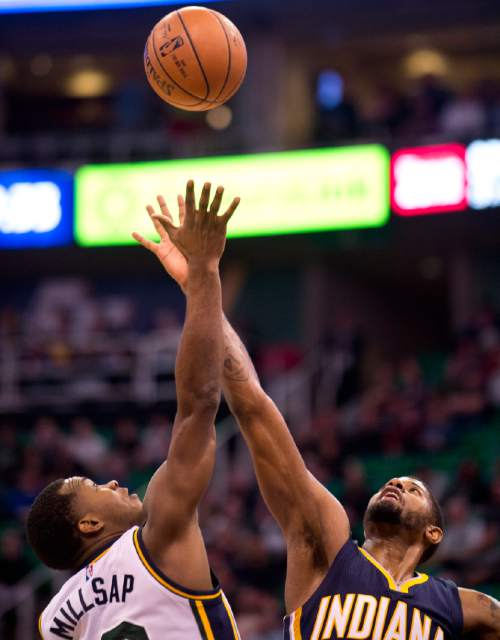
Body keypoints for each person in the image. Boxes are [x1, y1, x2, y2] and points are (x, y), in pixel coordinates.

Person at [139, 192, 500, 640]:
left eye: (414, 489)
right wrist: (203, 281)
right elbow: (252, 404)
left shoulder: (466, 607)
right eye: (399, 481)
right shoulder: (328, 546)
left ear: (434, 533)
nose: (397, 482)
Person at [27, 180, 242, 640]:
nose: (111, 481)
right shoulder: (159, 536)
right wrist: (203, 273)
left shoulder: (52, 621)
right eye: (93, 486)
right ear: (89, 524)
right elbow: (199, 405)